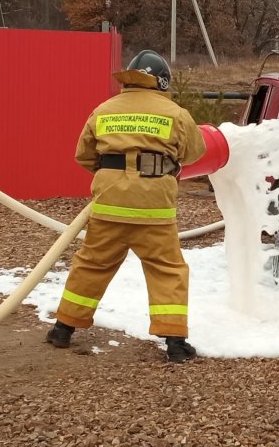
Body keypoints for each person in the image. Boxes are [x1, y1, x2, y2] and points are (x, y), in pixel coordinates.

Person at [46, 50, 206, 363]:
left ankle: (63, 329)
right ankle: (175, 343)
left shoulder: (104, 110)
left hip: (109, 204)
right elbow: (194, 153)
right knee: (166, 269)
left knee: (92, 264)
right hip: (154, 208)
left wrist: (113, 176)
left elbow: (84, 155)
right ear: (161, 81)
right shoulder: (175, 113)